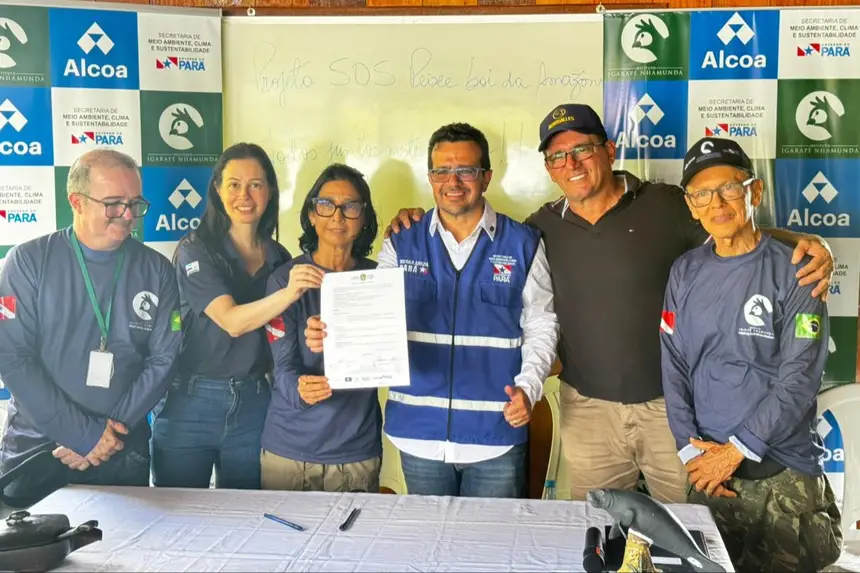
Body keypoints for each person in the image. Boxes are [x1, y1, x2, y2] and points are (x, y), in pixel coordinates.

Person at [385, 104, 835, 504]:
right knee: (599, 530)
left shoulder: (666, 204)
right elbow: (531, 310)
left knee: (683, 528)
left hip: (670, 410)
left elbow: (731, 227)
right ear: (549, 168)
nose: (571, 164)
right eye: (557, 156)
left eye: (582, 149)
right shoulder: (538, 229)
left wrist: (807, 243)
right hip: (588, 412)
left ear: (609, 150)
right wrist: (410, 219)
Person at [307, 123, 559, 498]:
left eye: (465, 170)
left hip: (495, 433)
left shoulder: (522, 243)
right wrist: (332, 333)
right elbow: (372, 315)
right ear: (430, 177)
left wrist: (529, 388)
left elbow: (542, 325)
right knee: (428, 537)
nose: (452, 182)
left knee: (488, 536)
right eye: (442, 170)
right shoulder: (401, 242)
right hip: (417, 433)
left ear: (486, 177)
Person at [660, 136, 843, 572]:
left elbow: (800, 377)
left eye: (728, 188)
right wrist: (691, 452)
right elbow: (674, 362)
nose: (717, 203)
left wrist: (735, 451)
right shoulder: (684, 271)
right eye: (702, 194)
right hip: (709, 470)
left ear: (754, 192)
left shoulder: (798, 270)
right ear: (691, 205)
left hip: (779, 472)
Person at [0, 149, 181, 506]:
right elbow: (13, 358)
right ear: (77, 202)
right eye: (113, 204)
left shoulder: (157, 269)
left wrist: (104, 435)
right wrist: (82, 434)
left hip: (120, 447)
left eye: (135, 203)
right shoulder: (28, 261)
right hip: (40, 449)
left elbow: (164, 359)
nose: (128, 215)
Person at [150, 143, 323, 490]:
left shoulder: (280, 257)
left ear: (270, 191)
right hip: (191, 403)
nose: (244, 195)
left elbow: (284, 336)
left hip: (255, 402)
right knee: (178, 514)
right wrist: (288, 292)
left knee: (248, 514)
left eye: (256, 184)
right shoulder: (195, 249)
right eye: (234, 184)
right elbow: (232, 321)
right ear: (217, 189)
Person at [261, 164, 382, 492]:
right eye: (326, 205)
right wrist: (299, 389)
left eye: (351, 206)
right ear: (312, 215)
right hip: (290, 450)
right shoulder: (286, 281)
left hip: (356, 448)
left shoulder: (379, 279)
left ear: (364, 218)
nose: (338, 216)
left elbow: (393, 351)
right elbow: (282, 365)